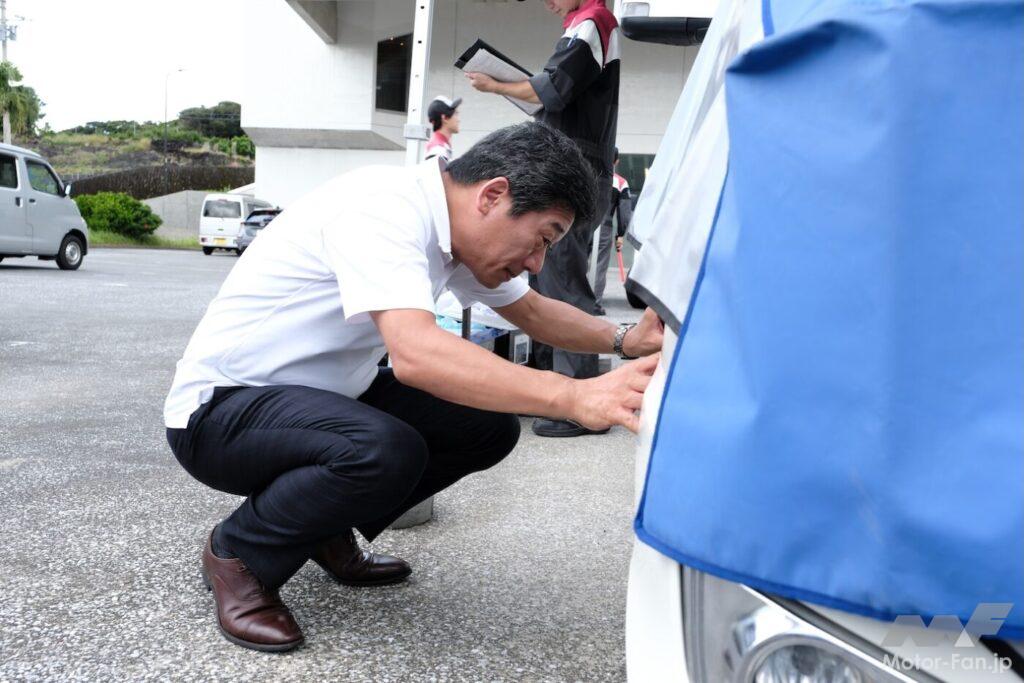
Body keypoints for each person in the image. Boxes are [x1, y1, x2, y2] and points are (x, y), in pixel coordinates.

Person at [164, 122, 663, 653]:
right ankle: (238, 552)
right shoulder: (383, 207)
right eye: (543, 238)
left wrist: (627, 339)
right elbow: (417, 355)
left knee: (484, 427)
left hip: (315, 405)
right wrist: (574, 395)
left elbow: (535, 312)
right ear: (493, 196)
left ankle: (318, 525)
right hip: (219, 413)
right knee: (382, 449)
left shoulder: (457, 236)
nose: (537, 262)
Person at [466, 0, 621, 438]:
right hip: (566, 163)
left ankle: (584, 402)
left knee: (563, 280)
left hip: (575, 167)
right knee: (546, 277)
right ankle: (552, 387)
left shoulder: (593, 21)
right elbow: (551, 94)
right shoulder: (583, 23)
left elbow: (550, 91)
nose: (547, 3)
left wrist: (497, 85)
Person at [591, 149, 632, 315]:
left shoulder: (589, 175)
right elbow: (625, 212)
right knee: (600, 265)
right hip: (604, 226)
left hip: (582, 225)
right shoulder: (621, 183)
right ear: (616, 162)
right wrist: (620, 234)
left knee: (577, 263)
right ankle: (593, 304)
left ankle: (573, 300)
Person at [425, 95, 462, 162]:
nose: (459, 120)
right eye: (456, 114)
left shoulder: (441, 145)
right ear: (444, 118)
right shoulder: (438, 149)